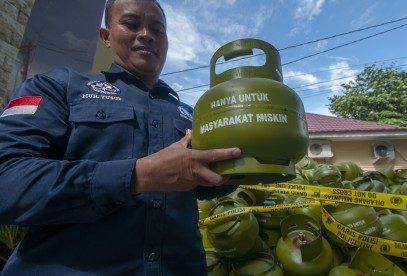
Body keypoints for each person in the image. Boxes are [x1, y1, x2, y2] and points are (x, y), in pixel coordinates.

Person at [0, 0, 241, 274]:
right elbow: (7, 180)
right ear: (106, 36)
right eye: (131, 24)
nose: (147, 34)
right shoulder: (59, 87)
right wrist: (138, 175)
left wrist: (247, 158)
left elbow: (213, 181)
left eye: (157, 29)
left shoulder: (192, 115)